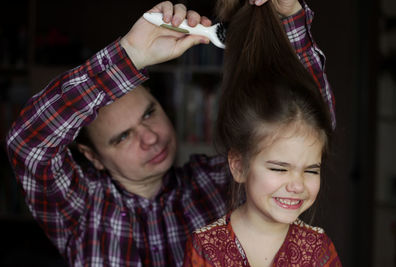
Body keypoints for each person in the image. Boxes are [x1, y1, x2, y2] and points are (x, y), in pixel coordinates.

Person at [6, 0, 335, 266]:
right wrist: (130, 55)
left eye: (149, 114)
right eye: (123, 137)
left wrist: (287, 13)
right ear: (94, 157)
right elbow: (28, 142)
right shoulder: (80, 207)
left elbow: (303, 131)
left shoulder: (220, 181)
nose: (149, 137)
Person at [183, 1, 341, 266]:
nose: (297, 184)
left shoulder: (319, 250)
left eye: (311, 170)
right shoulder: (205, 249)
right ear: (238, 165)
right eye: (279, 168)